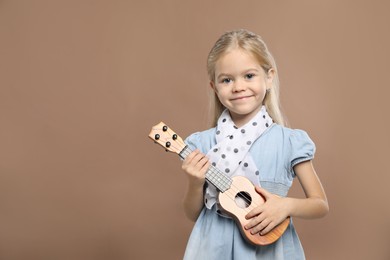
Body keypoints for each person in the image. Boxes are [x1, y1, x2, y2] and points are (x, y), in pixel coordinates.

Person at [181, 29, 329, 259]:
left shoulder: (289, 142)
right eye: (227, 80)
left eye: (249, 76)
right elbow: (193, 214)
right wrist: (194, 182)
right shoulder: (202, 143)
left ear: (269, 77)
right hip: (212, 247)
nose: (238, 86)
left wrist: (286, 206)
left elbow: (320, 204)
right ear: (214, 87)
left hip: (269, 246)